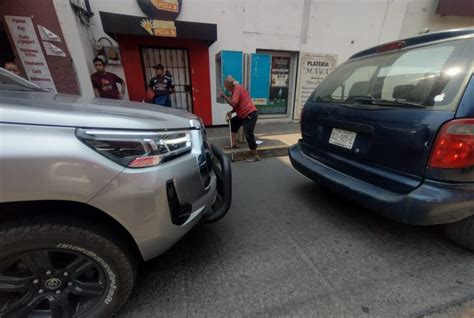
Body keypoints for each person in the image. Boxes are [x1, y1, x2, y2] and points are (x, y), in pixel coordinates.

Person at [219, 75, 260, 162]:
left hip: (249, 114)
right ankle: (234, 144)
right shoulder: (236, 89)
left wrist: (223, 96)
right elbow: (238, 105)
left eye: (225, 85)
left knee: (248, 134)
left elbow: (234, 103)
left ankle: (256, 155)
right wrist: (232, 112)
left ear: (230, 84)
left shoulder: (237, 89)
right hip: (243, 114)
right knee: (233, 122)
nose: (225, 87)